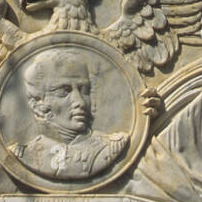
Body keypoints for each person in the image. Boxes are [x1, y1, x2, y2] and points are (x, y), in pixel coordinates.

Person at [9, 49, 128, 181]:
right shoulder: (25, 154)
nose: (80, 102)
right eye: (64, 91)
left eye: (84, 90)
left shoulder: (112, 147)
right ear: (38, 104)